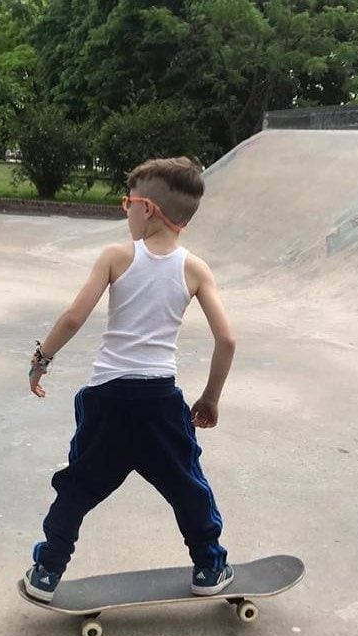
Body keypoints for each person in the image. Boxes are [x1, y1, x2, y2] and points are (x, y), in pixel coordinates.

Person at [23, 156, 237, 602]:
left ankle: (47, 570)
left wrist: (42, 358)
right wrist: (210, 398)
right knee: (186, 485)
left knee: (78, 485)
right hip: (159, 401)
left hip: (107, 398)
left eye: (128, 203)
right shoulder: (195, 269)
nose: (126, 212)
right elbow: (227, 341)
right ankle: (209, 566)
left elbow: (74, 316)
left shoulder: (117, 256)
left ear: (149, 209)